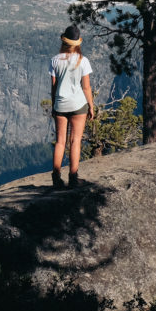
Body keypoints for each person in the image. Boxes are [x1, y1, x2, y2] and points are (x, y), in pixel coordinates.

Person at [49, 24, 94, 188]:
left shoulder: (54, 60)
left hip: (60, 104)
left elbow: (53, 87)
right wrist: (91, 106)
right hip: (78, 105)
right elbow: (86, 87)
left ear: (64, 41)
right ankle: (74, 178)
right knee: (75, 141)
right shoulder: (83, 61)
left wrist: (54, 105)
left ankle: (56, 177)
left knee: (60, 142)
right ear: (77, 43)